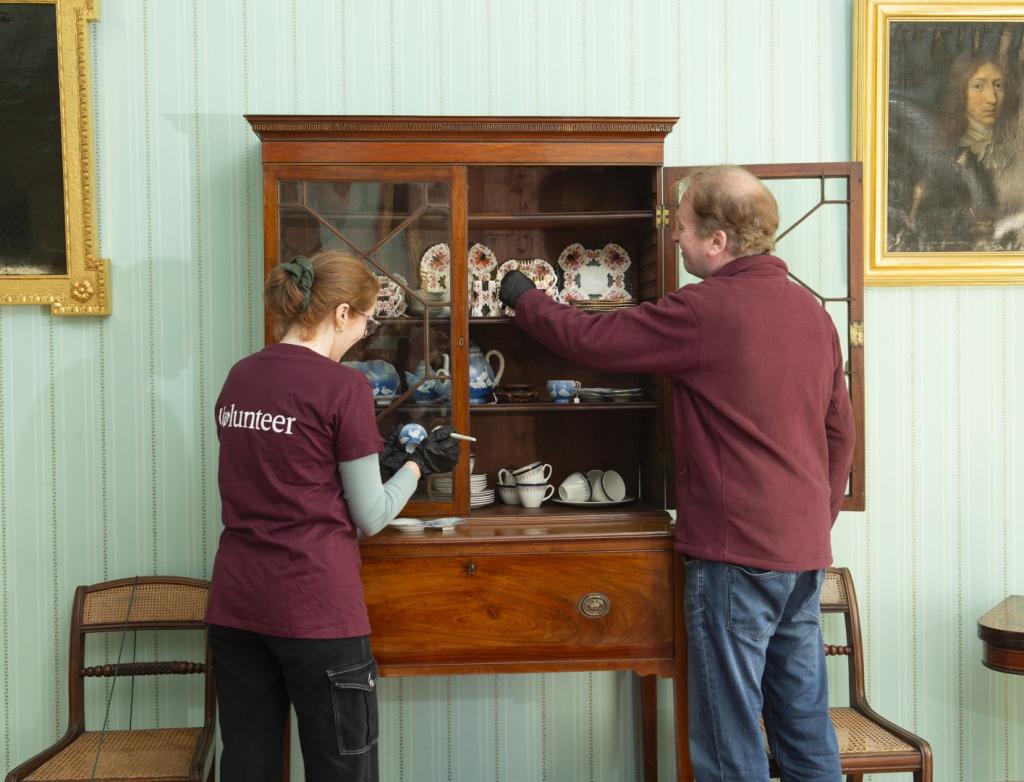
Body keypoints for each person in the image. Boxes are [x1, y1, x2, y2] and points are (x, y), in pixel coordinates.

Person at [499, 166, 856, 782]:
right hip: (801, 557)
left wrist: (520, 296)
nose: (673, 239)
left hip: (733, 557)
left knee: (728, 742)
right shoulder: (813, 312)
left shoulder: (705, 311)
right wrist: (809, 523)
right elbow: (840, 433)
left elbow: (593, 339)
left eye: (682, 227)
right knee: (805, 732)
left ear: (719, 241)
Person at [206, 250, 461, 782]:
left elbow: (285, 471)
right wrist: (415, 466)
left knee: (247, 767)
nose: (365, 333)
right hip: (314, 609)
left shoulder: (239, 378)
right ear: (341, 313)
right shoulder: (344, 387)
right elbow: (370, 515)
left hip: (237, 606)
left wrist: (375, 460)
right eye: (366, 320)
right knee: (341, 770)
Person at [896, 54, 1014, 251]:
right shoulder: (948, 156)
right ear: (960, 92)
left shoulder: (1007, 150)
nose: (992, 98)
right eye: (978, 86)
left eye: (998, 86)